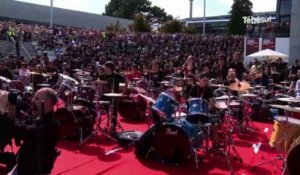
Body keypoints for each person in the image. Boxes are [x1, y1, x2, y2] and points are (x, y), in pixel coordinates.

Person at [8, 87, 60, 175]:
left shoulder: (49, 123)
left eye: (36, 98)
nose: (33, 100)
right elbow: (24, 124)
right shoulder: (40, 115)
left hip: (34, 169)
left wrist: (10, 117)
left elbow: (24, 132)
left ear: (47, 102)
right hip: (25, 165)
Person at [99, 61, 127, 135]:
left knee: (114, 106)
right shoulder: (102, 76)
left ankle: (113, 124)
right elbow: (99, 85)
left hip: (114, 95)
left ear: (109, 68)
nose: (104, 68)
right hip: (104, 95)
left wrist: (123, 93)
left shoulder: (117, 76)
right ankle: (99, 121)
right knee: (97, 104)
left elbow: (126, 82)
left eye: (105, 67)